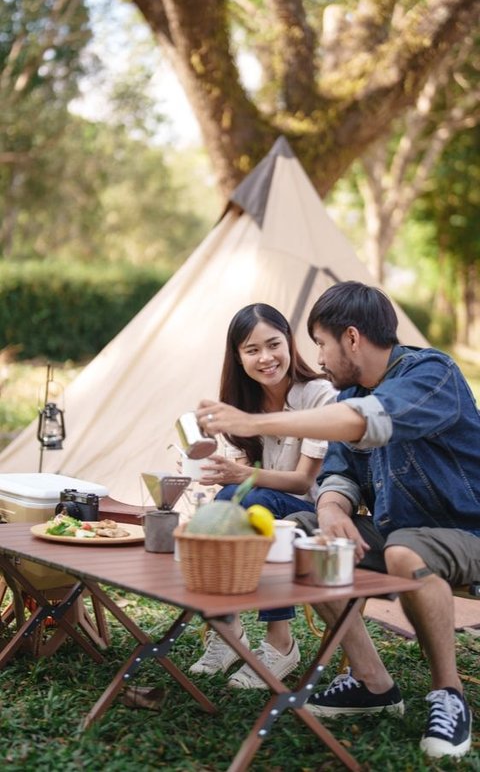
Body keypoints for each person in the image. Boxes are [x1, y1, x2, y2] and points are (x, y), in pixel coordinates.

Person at [196, 281, 480, 760]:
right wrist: (329, 508)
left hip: (467, 534)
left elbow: (365, 421)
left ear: (351, 339)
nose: (319, 359)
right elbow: (338, 473)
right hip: (394, 534)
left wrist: (252, 423)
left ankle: (448, 695)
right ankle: (373, 683)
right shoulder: (351, 390)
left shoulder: (431, 373)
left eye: (321, 344)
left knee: (405, 548)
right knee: (301, 535)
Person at [189, 303, 336, 688]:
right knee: (229, 503)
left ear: (289, 342)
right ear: (237, 357)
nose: (266, 358)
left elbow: (304, 480)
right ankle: (229, 631)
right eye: (252, 350)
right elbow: (241, 480)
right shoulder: (240, 403)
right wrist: (225, 473)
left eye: (274, 344)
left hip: (316, 510)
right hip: (266, 502)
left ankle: (281, 644)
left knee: (256, 504)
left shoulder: (319, 395)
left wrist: (241, 476)